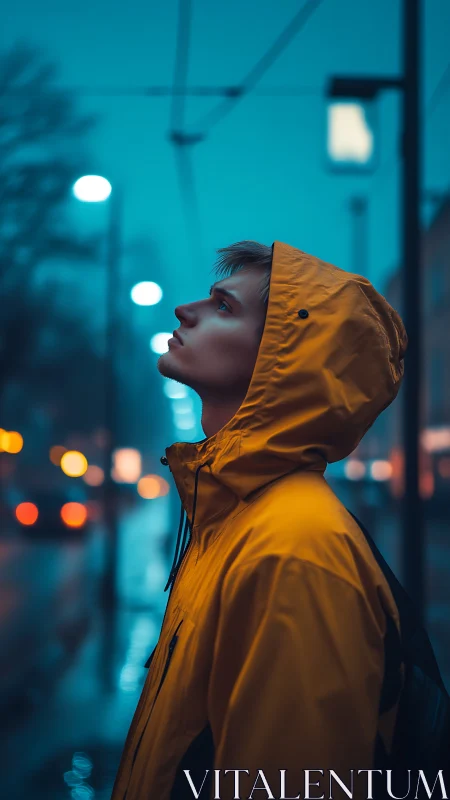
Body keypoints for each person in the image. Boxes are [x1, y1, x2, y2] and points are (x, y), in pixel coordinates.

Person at [111, 240, 408, 800]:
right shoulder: (242, 514)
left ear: (285, 358)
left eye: (224, 307)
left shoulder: (295, 549)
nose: (186, 310)